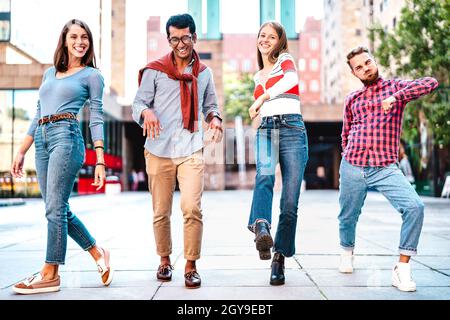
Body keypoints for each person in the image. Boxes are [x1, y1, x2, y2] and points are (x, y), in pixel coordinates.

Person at [10, 19, 113, 294]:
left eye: (85, 38)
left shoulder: (92, 75)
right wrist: (22, 149)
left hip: (66, 137)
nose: (80, 42)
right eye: (74, 37)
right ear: (65, 40)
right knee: (58, 208)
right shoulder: (49, 73)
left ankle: (50, 272)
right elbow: (37, 113)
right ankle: (97, 252)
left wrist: (100, 158)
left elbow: (97, 117)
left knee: (55, 209)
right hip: (42, 140)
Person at [132, 13, 222, 289]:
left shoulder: (204, 73)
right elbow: (138, 103)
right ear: (168, 39)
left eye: (185, 38)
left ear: (194, 37)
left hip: (191, 147)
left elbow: (211, 106)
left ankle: (191, 265)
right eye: (174, 38)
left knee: (191, 207)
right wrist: (146, 112)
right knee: (161, 210)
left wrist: (215, 119)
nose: (180, 44)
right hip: (158, 149)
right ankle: (164, 260)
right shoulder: (155, 70)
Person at [338, 45, 438, 292]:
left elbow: (431, 82)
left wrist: (396, 97)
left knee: (414, 207)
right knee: (348, 215)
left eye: (367, 62)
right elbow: (345, 132)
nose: (365, 68)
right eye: (359, 67)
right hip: (353, 163)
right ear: (355, 73)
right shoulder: (352, 99)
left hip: (385, 166)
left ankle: (402, 268)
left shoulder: (395, 87)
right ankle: (347, 251)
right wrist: (346, 155)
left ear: (374, 61)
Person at [247, 21, 308, 286]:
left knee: (290, 202)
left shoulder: (285, 60)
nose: (265, 39)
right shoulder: (257, 76)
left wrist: (261, 99)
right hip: (267, 130)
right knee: (264, 177)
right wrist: (258, 114)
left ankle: (279, 258)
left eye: (272, 36)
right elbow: (260, 112)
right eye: (262, 35)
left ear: (280, 41)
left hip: (293, 129)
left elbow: (292, 80)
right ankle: (261, 228)